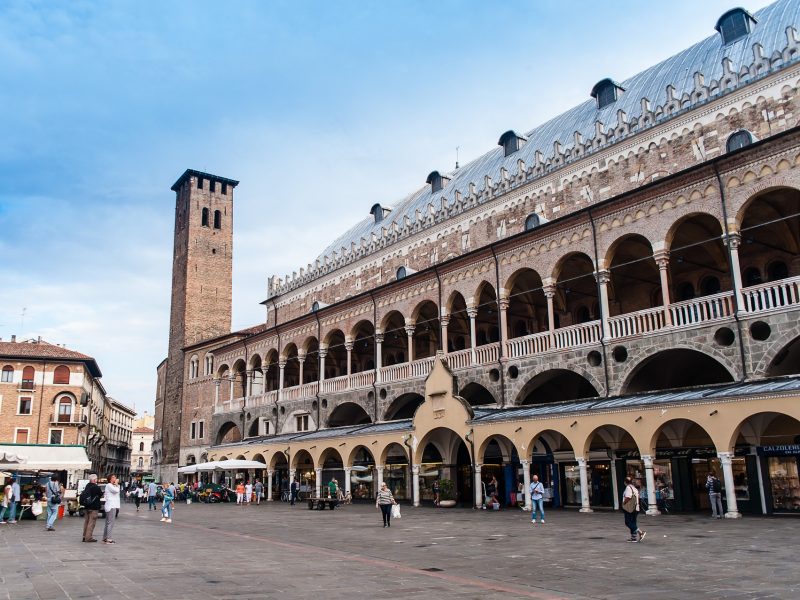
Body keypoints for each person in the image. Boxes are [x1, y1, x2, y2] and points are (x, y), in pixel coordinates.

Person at [621, 477, 646, 543]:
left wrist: (624, 503)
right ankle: (633, 537)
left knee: (628, 522)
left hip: (630, 508)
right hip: (636, 508)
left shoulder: (628, 488)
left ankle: (640, 532)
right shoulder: (634, 488)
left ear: (625, 482)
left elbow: (628, 497)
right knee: (633, 522)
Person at [80, 474, 103, 542]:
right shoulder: (96, 487)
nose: (97, 480)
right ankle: (88, 537)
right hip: (94, 507)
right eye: (96, 479)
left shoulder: (87, 486)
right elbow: (100, 494)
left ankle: (84, 536)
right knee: (91, 523)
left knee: (86, 522)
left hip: (87, 506)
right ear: (94, 480)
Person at [103, 475, 120, 544]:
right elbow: (116, 490)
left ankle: (105, 537)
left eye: (115, 477)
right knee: (110, 523)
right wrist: (116, 484)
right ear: (110, 479)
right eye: (114, 477)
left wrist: (116, 484)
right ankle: (109, 539)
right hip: (111, 506)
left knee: (108, 523)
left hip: (112, 505)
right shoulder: (109, 485)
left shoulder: (111, 485)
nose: (115, 478)